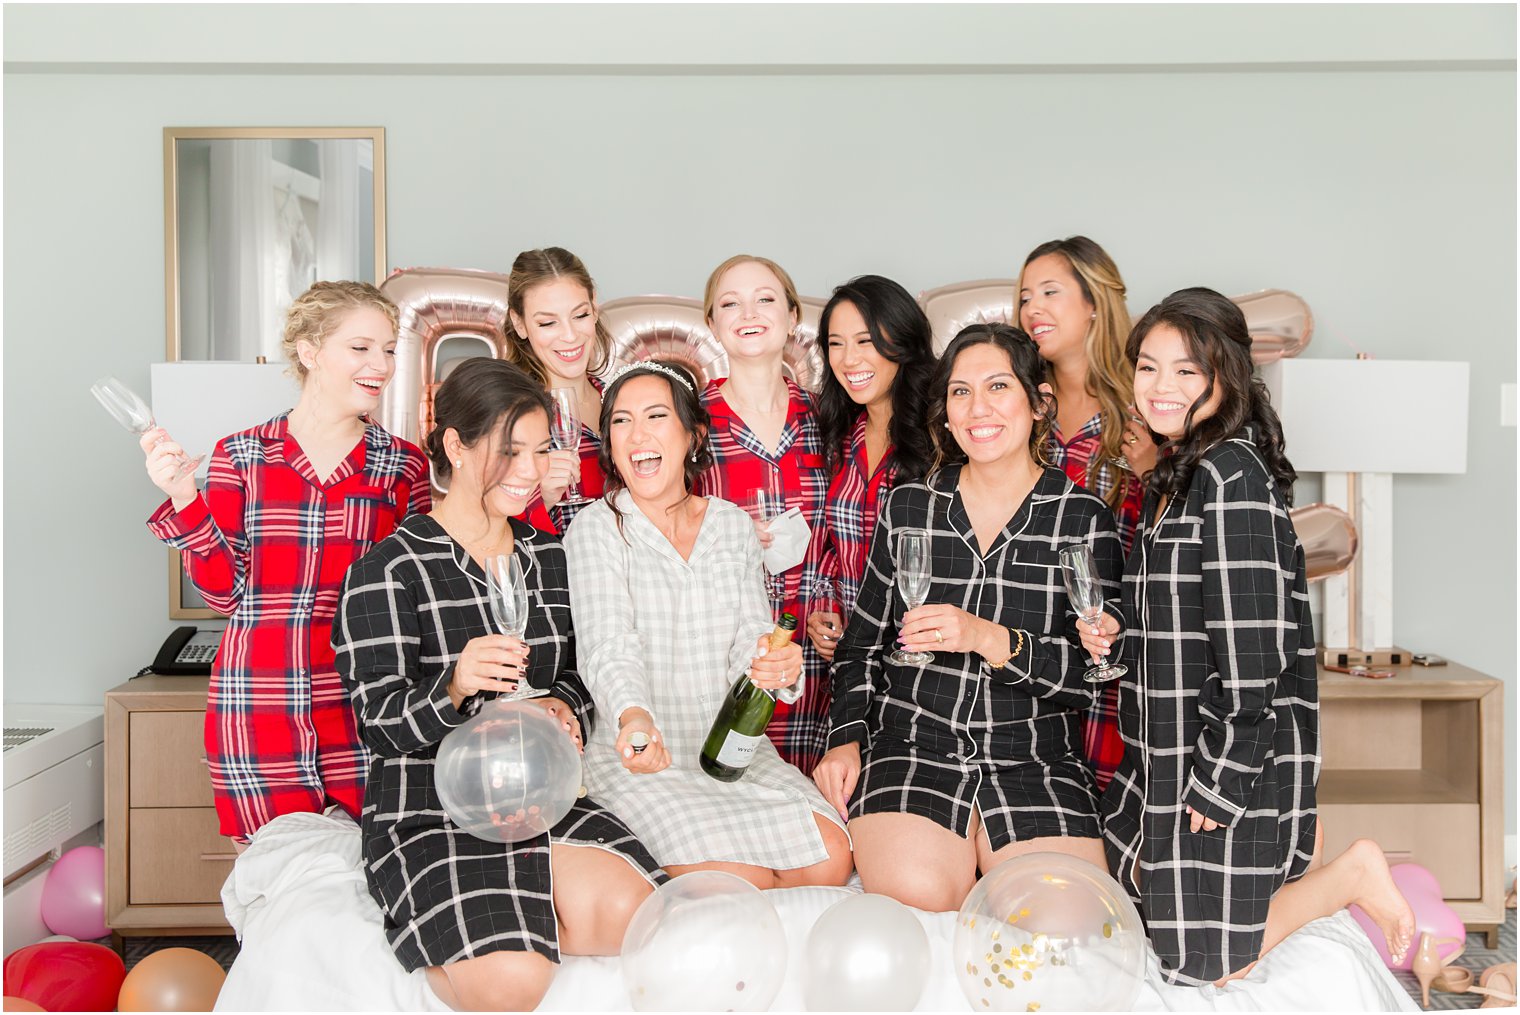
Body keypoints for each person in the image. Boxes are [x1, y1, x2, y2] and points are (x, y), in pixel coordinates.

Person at [1082, 288, 1414, 986]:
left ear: (1224, 377)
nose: (1160, 386)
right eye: (1148, 367)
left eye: (1185, 370)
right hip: (1163, 747)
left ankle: (1351, 872)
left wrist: (1224, 779)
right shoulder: (1177, 473)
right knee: (1145, 921)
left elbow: (1253, 653)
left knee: (1208, 965)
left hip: (1225, 752)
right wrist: (1115, 629)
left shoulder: (1230, 475)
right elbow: (1174, 617)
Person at [334, 358, 663, 1011]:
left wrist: (561, 704)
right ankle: (475, 940)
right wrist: (453, 687)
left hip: (542, 793)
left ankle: (510, 919)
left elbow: (578, 674)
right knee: (514, 981)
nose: (529, 469)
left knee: (639, 917)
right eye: (507, 450)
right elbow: (379, 723)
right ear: (455, 445)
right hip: (433, 805)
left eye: (540, 450)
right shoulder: (388, 569)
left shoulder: (547, 556)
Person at [812, 323, 1121, 913]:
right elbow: (861, 647)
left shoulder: (1081, 517)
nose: (978, 408)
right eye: (960, 392)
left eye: (998, 386)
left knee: (1059, 920)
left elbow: (1088, 679)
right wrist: (847, 738)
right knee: (917, 900)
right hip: (912, 746)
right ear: (945, 415)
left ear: (1038, 404)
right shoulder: (911, 506)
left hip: (1035, 758)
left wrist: (984, 636)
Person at [143, 280, 431, 844]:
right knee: (271, 894)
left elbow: (415, 601)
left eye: (389, 348)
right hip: (259, 708)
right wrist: (183, 496)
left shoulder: (403, 466)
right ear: (309, 351)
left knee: (376, 892)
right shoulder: (240, 455)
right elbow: (225, 596)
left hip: (365, 708)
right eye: (361, 347)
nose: (382, 364)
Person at [564, 360, 852, 891]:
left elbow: (751, 632)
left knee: (829, 860)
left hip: (730, 752)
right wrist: (633, 717)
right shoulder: (597, 527)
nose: (638, 435)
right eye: (621, 422)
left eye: (655, 416)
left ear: (693, 435)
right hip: (643, 752)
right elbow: (608, 644)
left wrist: (772, 661)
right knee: (738, 881)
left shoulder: (731, 524)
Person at [1016, 235, 1149, 794]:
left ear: (1094, 300)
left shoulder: (1143, 403)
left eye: (1050, 291)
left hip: (1118, 644)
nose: (1032, 310)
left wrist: (1152, 469)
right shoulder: (1019, 406)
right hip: (1029, 636)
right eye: (1024, 297)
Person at [694, 254, 832, 774]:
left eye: (765, 299)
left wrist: (831, 608)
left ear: (792, 315)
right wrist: (717, 531)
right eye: (730, 303)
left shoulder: (828, 418)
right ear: (711, 324)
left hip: (817, 656)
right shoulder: (687, 424)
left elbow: (847, 534)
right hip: (724, 658)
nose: (748, 312)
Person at [802, 274, 935, 667]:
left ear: (901, 341)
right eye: (836, 344)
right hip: (850, 660)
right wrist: (825, 607)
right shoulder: (841, 435)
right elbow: (832, 546)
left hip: (921, 659)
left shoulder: (943, 434)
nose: (848, 359)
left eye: (865, 341)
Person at [502, 246, 613, 535]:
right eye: (548, 322)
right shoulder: (507, 415)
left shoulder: (622, 400)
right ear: (519, 323)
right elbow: (482, 534)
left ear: (595, 307)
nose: (569, 335)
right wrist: (542, 498)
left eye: (579, 315)